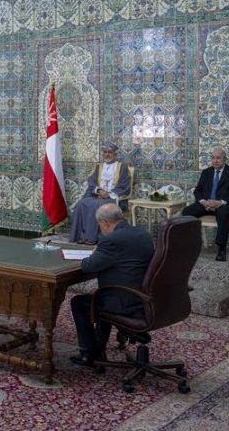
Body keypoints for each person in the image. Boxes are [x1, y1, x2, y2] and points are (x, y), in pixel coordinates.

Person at [69, 203, 154, 366]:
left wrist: (95, 253)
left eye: (100, 226)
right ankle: (98, 348)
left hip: (124, 303)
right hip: (144, 299)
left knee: (79, 303)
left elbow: (88, 266)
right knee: (100, 296)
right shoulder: (143, 234)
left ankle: (89, 352)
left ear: (105, 223)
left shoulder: (112, 240)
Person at [182, 147, 229, 261]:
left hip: (225, 206)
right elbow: (198, 190)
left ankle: (221, 249)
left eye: (218, 158)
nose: (215, 161)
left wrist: (220, 202)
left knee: (223, 213)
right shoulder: (206, 172)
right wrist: (203, 202)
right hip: (207, 204)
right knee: (187, 211)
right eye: (213, 158)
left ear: (225, 159)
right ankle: (189, 245)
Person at [70, 142, 131, 245]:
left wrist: (109, 194)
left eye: (110, 152)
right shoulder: (99, 167)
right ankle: (81, 236)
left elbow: (124, 185)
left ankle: (93, 237)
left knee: (98, 205)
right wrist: (99, 191)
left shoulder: (122, 167)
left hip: (113, 197)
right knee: (82, 204)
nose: (107, 154)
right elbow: (92, 182)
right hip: (98, 195)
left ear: (115, 154)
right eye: (105, 152)